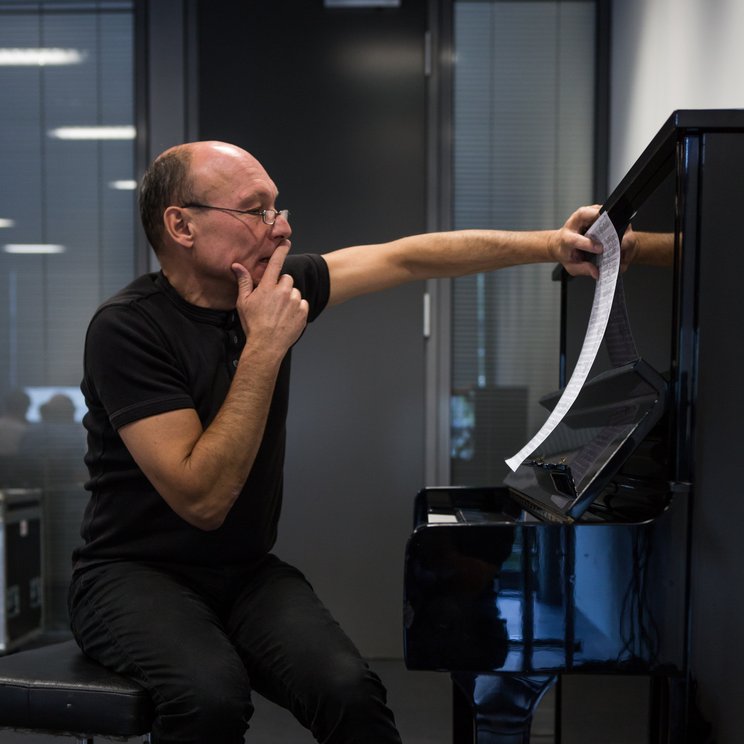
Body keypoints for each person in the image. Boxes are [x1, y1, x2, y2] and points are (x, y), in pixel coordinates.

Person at [68, 140, 603, 744]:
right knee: (210, 698)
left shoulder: (278, 290)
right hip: (130, 576)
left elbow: (407, 260)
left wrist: (550, 244)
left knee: (350, 692)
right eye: (258, 210)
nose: (284, 227)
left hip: (242, 574)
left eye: (279, 206)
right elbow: (204, 499)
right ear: (181, 224)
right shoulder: (127, 330)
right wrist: (264, 348)